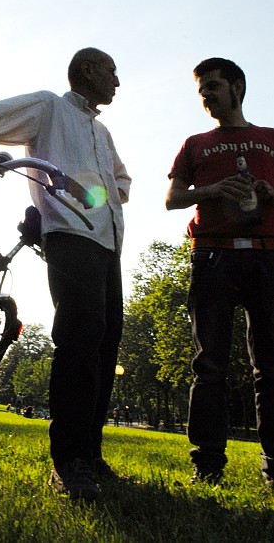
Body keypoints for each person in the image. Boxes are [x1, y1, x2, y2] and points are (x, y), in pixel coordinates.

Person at [0, 47, 131, 501]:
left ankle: (91, 452)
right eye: (112, 72)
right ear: (89, 70)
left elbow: (122, 181)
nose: (117, 81)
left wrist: (108, 195)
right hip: (69, 235)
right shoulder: (49, 107)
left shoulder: (102, 130)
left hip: (109, 245)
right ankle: (70, 460)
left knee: (105, 340)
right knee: (80, 337)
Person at [166, 57, 274, 487]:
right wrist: (211, 190)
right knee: (209, 364)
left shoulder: (269, 139)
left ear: (237, 86)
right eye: (200, 90)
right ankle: (207, 466)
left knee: (270, 367)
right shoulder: (195, 143)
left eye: (212, 85)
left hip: (268, 256)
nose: (205, 95)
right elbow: (172, 198)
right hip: (212, 257)